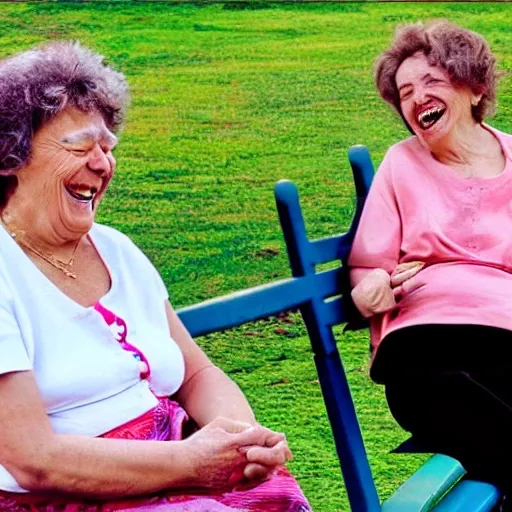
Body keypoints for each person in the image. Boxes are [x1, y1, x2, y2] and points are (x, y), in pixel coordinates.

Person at [0, 41, 311, 512]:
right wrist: (189, 462)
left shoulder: (117, 249)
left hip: (176, 463)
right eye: (81, 146)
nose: (102, 164)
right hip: (70, 498)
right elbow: (33, 460)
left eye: (107, 147)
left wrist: (239, 440)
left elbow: (197, 373)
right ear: (10, 157)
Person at [348, 20, 512, 498]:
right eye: (405, 91)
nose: (417, 97)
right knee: (433, 386)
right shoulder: (401, 163)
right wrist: (368, 289)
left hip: (503, 341)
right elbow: (368, 266)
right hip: (423, 345)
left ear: (475, 88)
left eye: (432, 83)